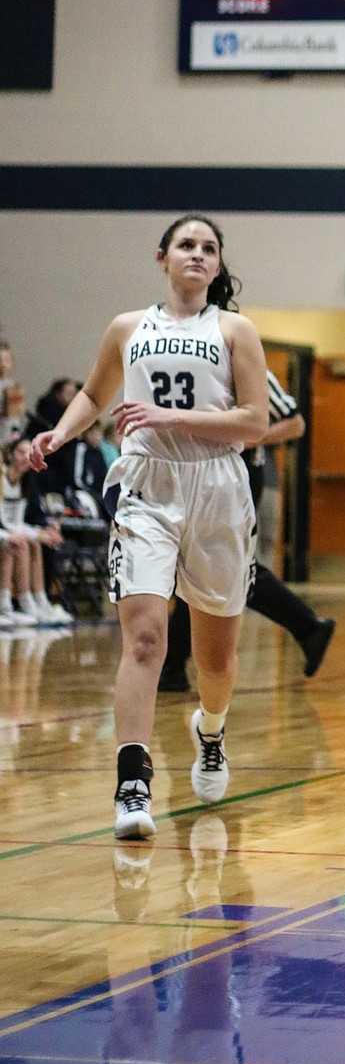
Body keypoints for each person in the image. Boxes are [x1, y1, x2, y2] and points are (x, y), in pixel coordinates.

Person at [28, 214, 268, 839]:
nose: (197, 254)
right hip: (146, 486)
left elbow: (253, 424)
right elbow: (94, 394)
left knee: (217, 661)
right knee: (144, 639)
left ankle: (209, 731)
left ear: (217, 267)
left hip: (216, 488)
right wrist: (59, 432)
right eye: (186, 244)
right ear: (162, 257)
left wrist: (169, 415)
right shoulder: (127, 328)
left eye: (209, 248)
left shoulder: (235, 330)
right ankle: (133, 781)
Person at [158, 366, 334, 692]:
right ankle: (172, 667)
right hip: (196, 476)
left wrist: (241, 438)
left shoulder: (246, 366)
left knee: (224, 564)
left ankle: (307, 625)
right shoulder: (188, 361)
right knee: (201, 565)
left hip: (235, 476)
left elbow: (295, 424)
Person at [0, 438, 72, 627]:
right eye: (21, 452)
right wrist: (31, 534)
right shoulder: (2, 480)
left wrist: (42, 533)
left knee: (32, 543)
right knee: (16, 543)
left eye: (28, 452)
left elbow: (15, 523)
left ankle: (38, 601)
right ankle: (9, 606)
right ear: (9, 455)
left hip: (8, 532)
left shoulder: (25, 482)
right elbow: (6, 525)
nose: (26, 457)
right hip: (4, 536)